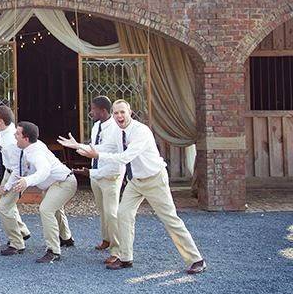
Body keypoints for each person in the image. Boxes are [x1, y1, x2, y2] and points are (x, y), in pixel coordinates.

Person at [59, 99, 207, 274]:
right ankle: (125, 258)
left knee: (170, 219)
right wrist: (77, 146)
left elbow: (124, 157)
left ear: (130, 112)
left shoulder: (141, 131)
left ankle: (196, 259)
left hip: (154, 179)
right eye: (116, 113)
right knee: (123, 215)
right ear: (112, 115)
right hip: (135, 181)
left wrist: (97, 154)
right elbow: (104, 147)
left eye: (122, 112)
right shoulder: (117, 132)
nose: (119, 116)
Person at [0, 121, 76, 263]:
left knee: (46, 209)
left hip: (64, 183)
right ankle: (66, 238)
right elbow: (18, 169)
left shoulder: (36, 152)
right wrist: (6, 187)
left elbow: (44, 171)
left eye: (17, 133)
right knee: (55, 208)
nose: (14, 135)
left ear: (26, 138)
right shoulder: (28, 148)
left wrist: (26, 181)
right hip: (56, 183)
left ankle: (53, 251)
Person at [0, 104, 31, 253]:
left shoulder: (12, 141)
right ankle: (22, 232)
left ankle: (17, 244)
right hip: (8, 171)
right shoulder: (4, 129)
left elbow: (19, 168)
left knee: (4, 208)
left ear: (1, 121)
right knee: (9, 205)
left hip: (16, 175)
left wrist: (6, 187)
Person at [84, 96, 123, 258]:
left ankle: (117, 249)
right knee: (102, 209)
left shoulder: (114, 128)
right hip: (96, 173)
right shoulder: (96, 126)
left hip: (110, 175)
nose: (91, 112)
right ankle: (106, 238)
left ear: (103, 111)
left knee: (112, 212)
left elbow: (108, 151)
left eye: (93, 109)